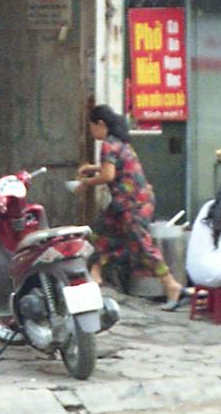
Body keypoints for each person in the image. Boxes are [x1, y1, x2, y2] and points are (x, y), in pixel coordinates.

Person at [76, 103, 186, 310]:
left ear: (100, 124)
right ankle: (95, 275)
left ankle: (171, 285)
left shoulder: (109, 145)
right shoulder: (120, 143)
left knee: (142, 246)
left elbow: (108, 175)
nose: (92, 133)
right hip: (128, 203)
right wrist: (92, 168)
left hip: (132, 205)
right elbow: (113, 167)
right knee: (100, 235)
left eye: (92, 127)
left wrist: (85, 183)